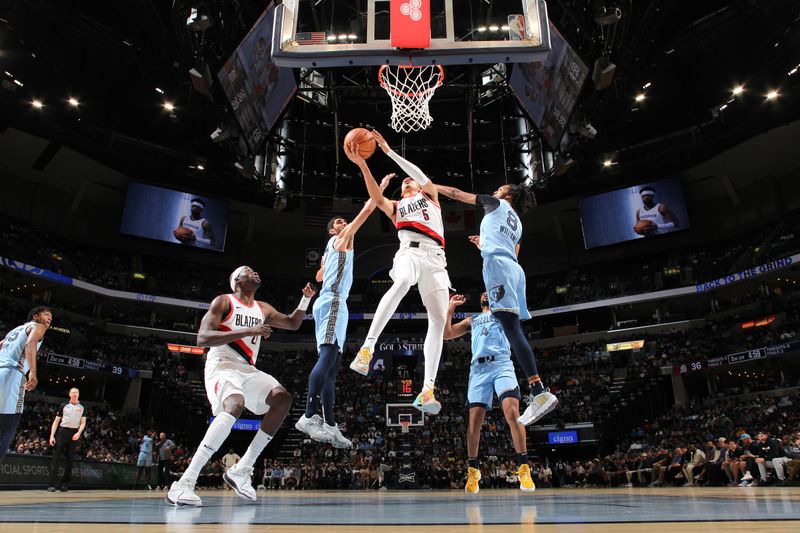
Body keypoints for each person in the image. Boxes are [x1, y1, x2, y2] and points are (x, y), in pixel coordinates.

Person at [166, 266, 316, 506]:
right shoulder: (224, 301)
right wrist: (248, 330)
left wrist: (306, 298)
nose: (255, 272)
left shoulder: (263, 307)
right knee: (235, 405)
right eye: (248, 271)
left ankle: (242, 468)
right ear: (237, 281)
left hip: (248, 370)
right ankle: (184, 484)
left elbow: (292, 323)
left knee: (283, 398)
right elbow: (202, 338)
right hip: (222, 364)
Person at [433, 182, 557, 425]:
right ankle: (536, 388)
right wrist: (484, 245)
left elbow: (458, 194)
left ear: (508, 195)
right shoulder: (518, 224)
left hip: (498, 267)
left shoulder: (496, 204)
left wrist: (430, 185)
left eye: (499, 189)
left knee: (511, 328)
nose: (493, 192)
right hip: (513, 269)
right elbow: (512, 251)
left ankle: (537, 390)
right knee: (511, 326)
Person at [346, 131, 452, 415]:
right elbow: (375, 196)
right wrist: (363, 164)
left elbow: (418, 173)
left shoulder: (431, 195)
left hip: (436, 259)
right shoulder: (396, 207)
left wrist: (389, 152)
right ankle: (367, 349)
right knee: (402, 280)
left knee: (439, 321)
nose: (408, 181)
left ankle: (427, 389)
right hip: (410, 252)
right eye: (404, 182)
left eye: (411, 181)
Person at [295, 175, 391, 447]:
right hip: (334, 301)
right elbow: (367, 211)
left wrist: (326, 265)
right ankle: (308, 415)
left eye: (342, 221)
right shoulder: (342, 239)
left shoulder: (332, 249)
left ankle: (330, 423)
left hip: (331, 300)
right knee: (327, 358)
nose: (343, 223)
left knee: (333, 367)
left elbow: (320, 274)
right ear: (332, 231)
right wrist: (379, 190)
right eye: (338, 222)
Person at [443, 293, 535, 494]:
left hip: (502, 364)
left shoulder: (504, 314)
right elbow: (446, 334)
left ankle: (524, 468)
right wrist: (451, 308)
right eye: (483, 292)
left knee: (512, 413)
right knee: (474, 423)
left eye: (489, 291)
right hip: (478, 370)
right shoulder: (473, 320)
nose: (485, 293)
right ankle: (473, 470)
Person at [0, 306, 50, 462]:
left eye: (51, 317)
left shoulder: (14, 331)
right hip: (12, 374)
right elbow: (30, 344)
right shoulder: (38, 326)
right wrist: (33, 373)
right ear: (35, 316)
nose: (50, 318)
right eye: (46, 314)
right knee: (9, 425)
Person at [47, 387, 87, 492]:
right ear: (69, 394)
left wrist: (78, 433)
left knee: (70, 460)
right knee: (56, 458)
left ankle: (65, 484)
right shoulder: (63, 406)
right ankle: (51, 484)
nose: (75, 394)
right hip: (62, 432)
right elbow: (56, 421)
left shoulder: (82, 407)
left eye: (77, 392)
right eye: (73, 392)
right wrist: (52, 435)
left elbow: (83, 423)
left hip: (74, 433)